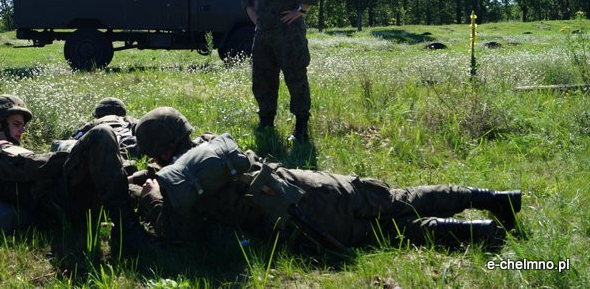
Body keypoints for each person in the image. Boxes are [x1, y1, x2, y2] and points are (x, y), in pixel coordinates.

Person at [132, 107, 522, 253]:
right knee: (407, 198)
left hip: (312, 223)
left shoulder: (188, 183)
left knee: (403, 233)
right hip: (327, 184)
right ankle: (493, 198)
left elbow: (175, 233)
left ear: (163, 152)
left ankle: (482, 232)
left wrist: (150, 194)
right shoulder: (215, 146)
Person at [0, 94, 152, 255]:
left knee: (134, 187)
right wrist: (82, 152)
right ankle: (129, 233)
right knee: (101, 134)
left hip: (57, 204)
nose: (22, 130)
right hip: (57, 201)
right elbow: (36, 165)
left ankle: (162, 222)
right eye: (16, 124)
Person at [239, 0, 324, 142]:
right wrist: (251, 13)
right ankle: (266, 123)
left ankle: (301, 127)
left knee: (296, 78)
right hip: (263, 32)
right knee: (262, 79)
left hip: (289, 32)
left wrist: (302, 9)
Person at [57, 97, 139, 160]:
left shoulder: (95, 123)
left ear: (98, 113)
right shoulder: (129, 120)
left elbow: (75, 139)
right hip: (128, 144)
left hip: (104, 149)